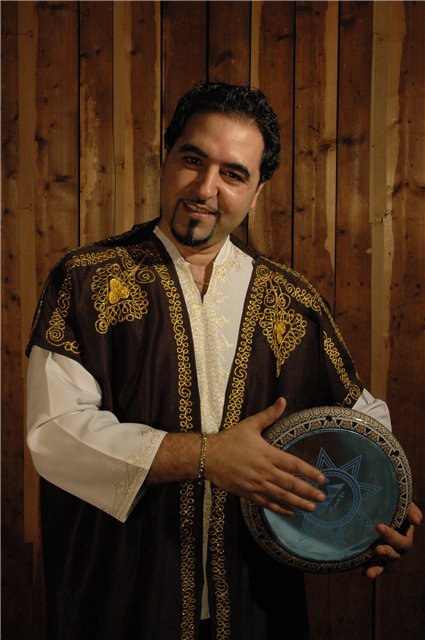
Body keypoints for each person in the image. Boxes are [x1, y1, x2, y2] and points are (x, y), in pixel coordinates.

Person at [26, 81, 421, 640]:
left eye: (233, 174)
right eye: (193, 160)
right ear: (165, 160)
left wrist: (384, 511)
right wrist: (207, 457)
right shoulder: (88, 281)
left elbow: (361, 427)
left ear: (256, 192)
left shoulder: (292, 302)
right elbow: (56, 432)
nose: (205, 188)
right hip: (121, 593)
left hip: (258, 601)